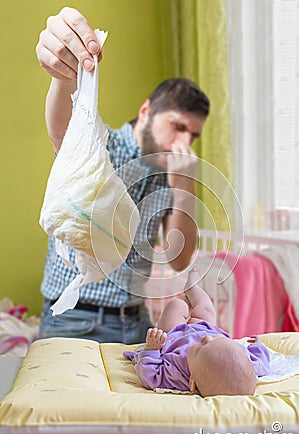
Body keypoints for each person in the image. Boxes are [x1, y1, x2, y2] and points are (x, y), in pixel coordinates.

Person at [35, 7, 210, 343]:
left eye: (193, 135)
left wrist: (184, 188)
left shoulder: (169, 175)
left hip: (136, 322)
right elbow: (63, 127)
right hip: (72, 318)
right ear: (146, 111)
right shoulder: (105, 145)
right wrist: (64, 77)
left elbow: (179, 259)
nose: (184, 142)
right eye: (178, 127)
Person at [123, 268, 270, 397]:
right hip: (205, 326)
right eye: (215, 340)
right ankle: (192, 288)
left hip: (175, 335)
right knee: (205, 309)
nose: (206, 339)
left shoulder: (175, 374)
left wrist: (152, 348)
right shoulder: (241, 364)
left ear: (192, 382)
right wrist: (257, 347)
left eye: (199, 349)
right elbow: (260, 363)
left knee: (176, 305)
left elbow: (149, 374)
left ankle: (185, 301)